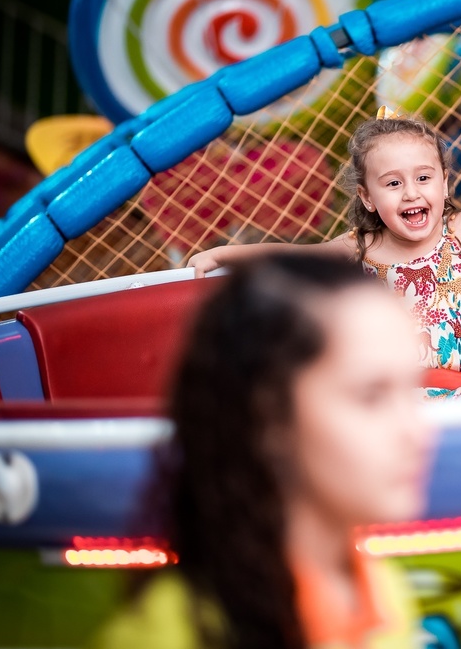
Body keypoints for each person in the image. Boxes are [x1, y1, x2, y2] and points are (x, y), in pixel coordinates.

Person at [91, 254, 435, 649]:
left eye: (410, 391)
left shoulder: (383, 590)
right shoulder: (174, 632)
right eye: (371, 397)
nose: (417, 431)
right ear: (269, 414)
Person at [189, 108, 461, 388]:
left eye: (423, 178)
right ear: (367, 198)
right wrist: (221, 255)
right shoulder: (360, 248)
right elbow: (289, 258)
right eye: (393, 184)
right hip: (404, 397)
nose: (412, 194)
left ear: (444, 183)